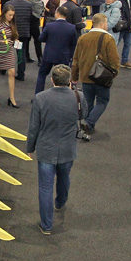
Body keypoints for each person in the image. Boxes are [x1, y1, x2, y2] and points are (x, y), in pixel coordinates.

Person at [26, 64, 83, 235]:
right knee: (64, 178)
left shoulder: (40, 98)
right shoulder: (78, 96)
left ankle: (46, 225)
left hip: (46, 149)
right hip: (67, 149)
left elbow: (34, 127)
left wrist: (30, 147)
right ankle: (60, 202)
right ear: (69, 81)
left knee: (45, 187)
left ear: (51, 80)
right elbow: (83, 115)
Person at [70, 13, 120, 133]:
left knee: (88, 102)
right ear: (102, 24)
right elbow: (115, 61)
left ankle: (87, 128)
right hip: (102, 77)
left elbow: (75, 59)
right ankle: (89, 123)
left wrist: (74, 76)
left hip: (86, 76)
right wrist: (113, 74)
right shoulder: (108, 39)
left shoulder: (83, 38)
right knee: (102, 101)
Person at [36, 6, 78, 93]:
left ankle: (38, 95)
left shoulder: (49, 26)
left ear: (57, 13)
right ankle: (62, 97)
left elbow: (41, 38)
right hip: (63, 56)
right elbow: (74, 44)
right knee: (62, 78)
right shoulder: (72, 28)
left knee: (42, 75)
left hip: (49, 55)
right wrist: (71, 56)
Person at [0, 5, 19, 107]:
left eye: (12, 15)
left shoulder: (12, 24)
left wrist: (16, 40)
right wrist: (2, 41)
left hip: (9, 51)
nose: (11, 17)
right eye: (9, 15)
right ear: (4, 13)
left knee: (12, 72)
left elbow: (13, 36)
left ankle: (12, 98)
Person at [6, 0, 33, 81]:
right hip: (23, 33)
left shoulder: (9, 4)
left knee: (6, 51)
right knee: (21, 53)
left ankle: (3, 69)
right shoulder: (28, 5)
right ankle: (21, 73)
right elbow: (31, 18)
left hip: (10, 33)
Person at [23, 0, 45, 65]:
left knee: (27, 40)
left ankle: (26, 56)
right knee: (37, 40)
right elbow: (40, 5)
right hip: (34, 21)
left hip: (26, 21)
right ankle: (40, 58)